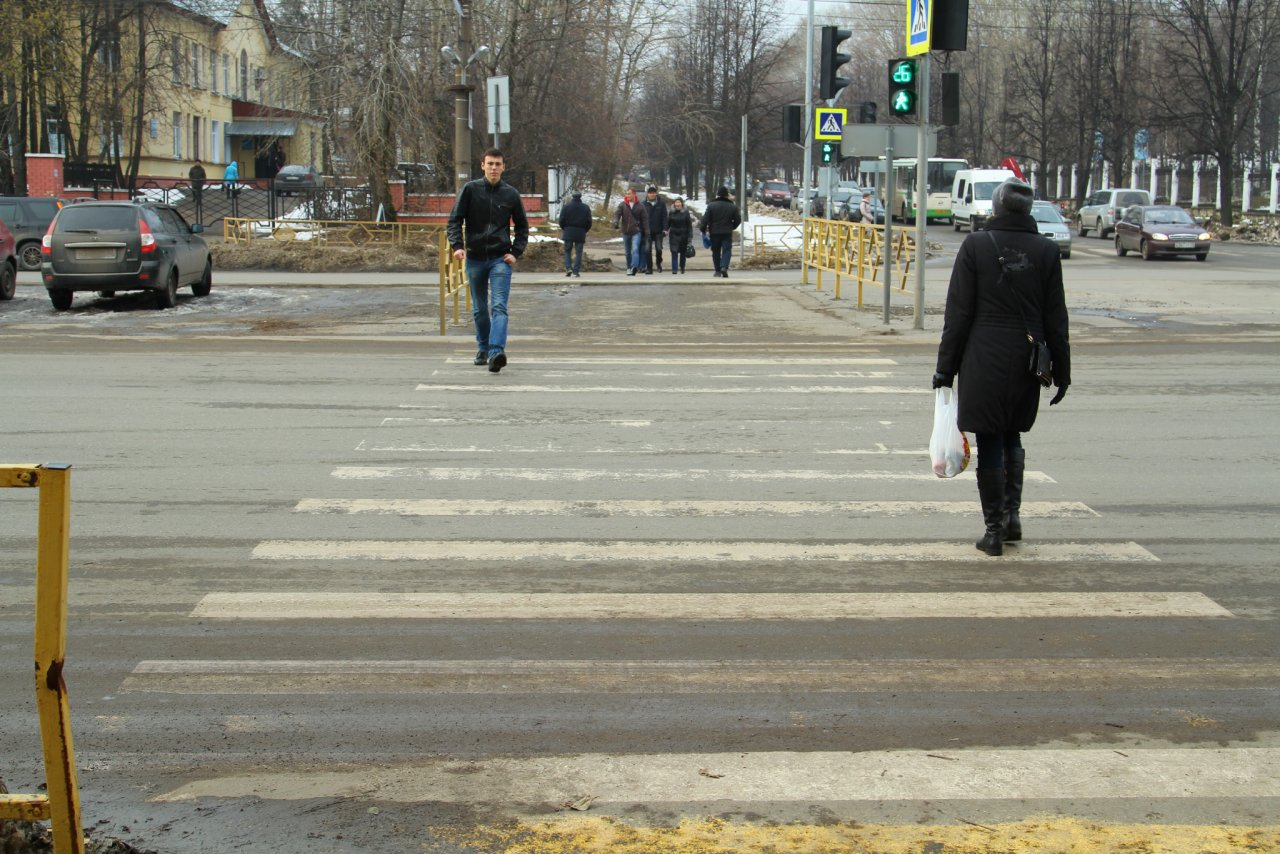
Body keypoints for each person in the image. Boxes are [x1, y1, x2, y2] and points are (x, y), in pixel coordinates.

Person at [933, 178, 1071, 556]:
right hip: (1029, 358)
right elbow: (1056, 316)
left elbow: (958, 314)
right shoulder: (1046, 251)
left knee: (991, 438)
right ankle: (1011, 519)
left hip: (983, 354)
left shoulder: (976, 245)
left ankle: (994, 531)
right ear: (1027, 210)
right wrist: (1063, 372)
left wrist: (945, 369)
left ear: (995, 208)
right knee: (1012, 435)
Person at [447, 147, 530, 374]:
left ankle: (496, 352)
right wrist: (458, 246)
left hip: (500, 258)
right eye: (490, 164)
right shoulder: (470, 190)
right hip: (474, 257)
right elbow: (454, 220)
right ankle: (483, 348)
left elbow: (523, 226)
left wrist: (516, 251)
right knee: (480, 309)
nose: (494, 168)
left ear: (503, 167)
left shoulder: (511, 194)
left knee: (499, 306)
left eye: (498, 164)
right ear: (482, 165)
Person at [699, 185, 741, 278]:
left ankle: (717, 271)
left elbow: (705, 219)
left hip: (714, 233)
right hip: (727, 233)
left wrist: (703, 229)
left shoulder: (711, 205)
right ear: (726, 195)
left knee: (716, 252)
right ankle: (724, 267)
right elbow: (738, 219)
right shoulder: (732, 206)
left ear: (718, 195)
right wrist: (732, 227)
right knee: (727, 250)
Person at [612, 189, 648, 276]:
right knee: (627, 251)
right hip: (626, 231)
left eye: (629, 194)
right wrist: (615, 222)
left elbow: (645, 220)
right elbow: (617, 214)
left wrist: (647, 232)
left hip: (636, 231)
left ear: (634, 194)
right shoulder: (623, 205)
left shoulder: (640, 206)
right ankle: (628, 268)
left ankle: (634, 266)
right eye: (627, 194)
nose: (628, 195)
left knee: (635, 249)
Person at [558, 191, 592, 277]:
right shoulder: (585, 208)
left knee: (567, 251)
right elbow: (589, 222)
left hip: (568, 231)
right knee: (579, 252)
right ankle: (576, 270)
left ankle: (568, 268)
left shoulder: (566, 207)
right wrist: (585, 230)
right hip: (580, 232)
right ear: (580, 197)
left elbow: (561, 220)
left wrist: (565, 228)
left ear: (572, 197)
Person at [641, 185, 669, 273]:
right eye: (650, 193)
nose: (652, 195)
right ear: (647, 194)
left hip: (658, 231)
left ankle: (658, 263)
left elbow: (665, 217)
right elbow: (641, 218)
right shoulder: (643, 204)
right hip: (647, 231)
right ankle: (649, 268)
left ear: (656, 193)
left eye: (653, 193)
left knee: (659, 249)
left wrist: (665, 228)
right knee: (647, 250)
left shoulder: (661, 203)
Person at [666, 197, 694, 275]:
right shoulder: (671, 212)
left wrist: (690, 235)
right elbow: (668, 223)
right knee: (674, 252)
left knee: (682, 252)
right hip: (674, 234)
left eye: (679, 202)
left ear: (681, 203)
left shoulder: (686, 212)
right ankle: (674, 269)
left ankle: (682, 267)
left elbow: (689, 225)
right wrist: (665, 230)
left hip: (683, 235)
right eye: (676, 202)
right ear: (674, 204)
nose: (677, 204)